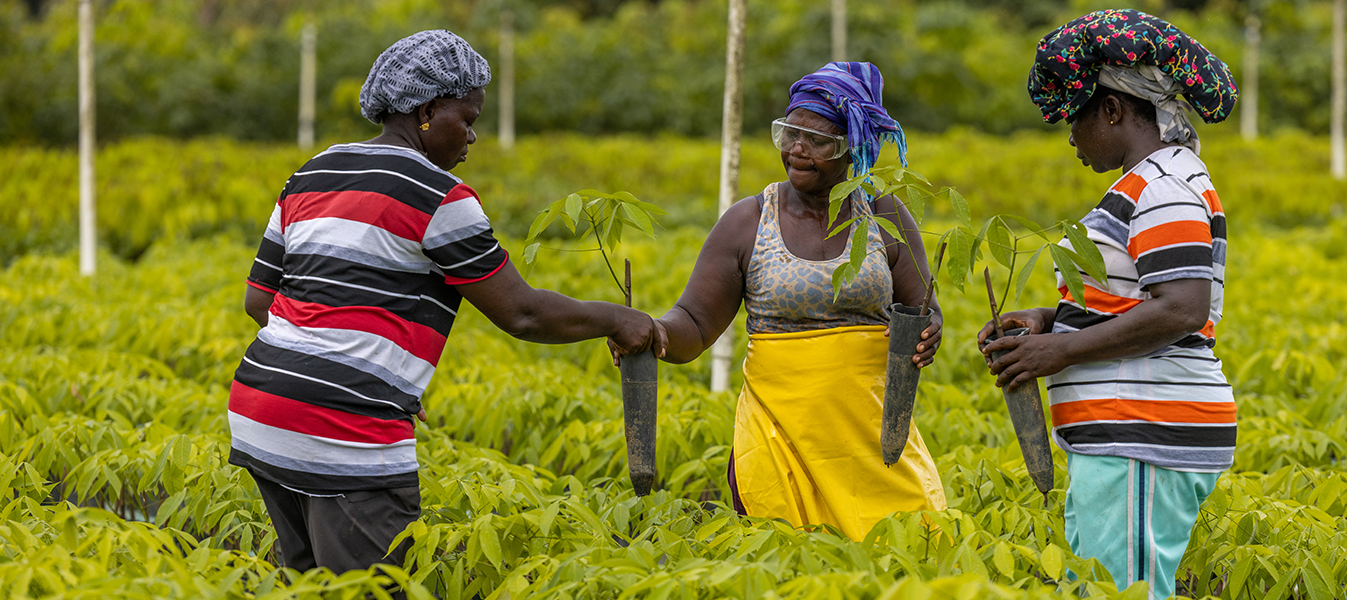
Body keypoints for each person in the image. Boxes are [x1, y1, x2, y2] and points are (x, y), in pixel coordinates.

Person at [228, 30, 661, 577]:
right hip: (343, 429)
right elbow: (522, 312)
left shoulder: (315, 169)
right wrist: (619, 318)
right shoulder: (438, 194)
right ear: (429, 110)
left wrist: (357, 368)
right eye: (469, 118)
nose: (473, 136)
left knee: (310, 585)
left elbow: (257, 299)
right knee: (374, 587)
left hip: (261, 409)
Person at [980, 10, 1237, 599]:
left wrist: (1062, 350)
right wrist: (1047, 320)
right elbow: (1136, 298)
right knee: (1101, 588)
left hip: (1143, 434)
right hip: (1126, 437)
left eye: (1076, 118)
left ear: (1114, 110)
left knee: (1120, 593)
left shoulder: (1163, 185)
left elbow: (1181, 307)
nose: (1071, 136)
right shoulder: (1149, 182)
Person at [648, 62, 946, 541]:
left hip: (873, 436)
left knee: (914, 550)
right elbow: (695, 324)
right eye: (789, 134)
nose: (797, 151)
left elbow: (924, 308)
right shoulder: (748, 222)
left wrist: (928, 330)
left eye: (818, 142)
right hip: (776, 438)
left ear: (854, 149)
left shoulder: (886, 214)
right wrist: (652, 334)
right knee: (787, 563)